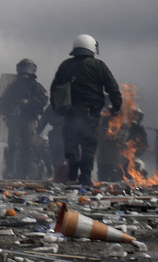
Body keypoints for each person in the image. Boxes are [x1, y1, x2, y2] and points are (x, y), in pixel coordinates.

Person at [50, 35, 122, 185]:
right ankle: (85, 177)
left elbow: (55, 88)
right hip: (90, 112)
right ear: (92, 47)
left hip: (70, 111)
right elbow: (113, 88)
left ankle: (73, 158)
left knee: (71, 138)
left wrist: (56, 108)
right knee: (89, 144)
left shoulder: (65, 65)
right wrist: (116, 106)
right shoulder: (98, 65)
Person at [0, 58, 48, 179]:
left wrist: (29, 102)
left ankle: (25, 173)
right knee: (13, 146)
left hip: (29, 120)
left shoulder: (36, 87)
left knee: (28, 148)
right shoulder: (13, 86)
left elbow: (43, 99)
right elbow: (3, 101)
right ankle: (11, 172)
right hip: (14, 120)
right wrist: (5, 113)